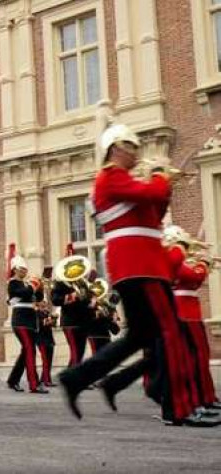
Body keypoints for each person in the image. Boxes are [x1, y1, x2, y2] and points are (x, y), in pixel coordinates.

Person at [58, 117, 214, 427]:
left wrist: (164, 185)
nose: (136, 154)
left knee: (140, 337)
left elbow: (154, 214)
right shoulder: (111, 176)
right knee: (170, 337)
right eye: (132, 148)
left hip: (141, 266)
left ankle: (79, 378)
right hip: (141, 267)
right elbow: (152, 195)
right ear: (116, 149)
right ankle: (182, 407)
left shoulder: (125, 183)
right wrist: (159, 176)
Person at [163, 227, 219, 411]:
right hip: (184, 313)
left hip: (191, 312)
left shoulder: (180, 259)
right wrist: (204, 262)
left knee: (201, 357)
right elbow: (194, 276)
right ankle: (197, 400)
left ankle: (207, 397)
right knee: (194, 359)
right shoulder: (174, 260)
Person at [6, 257, 45, 394]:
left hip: (31, 321)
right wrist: (33, 285)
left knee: (26, 352)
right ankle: (34, 384)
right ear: (15, 269)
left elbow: (37, 299)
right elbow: (26, 293)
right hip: (20, 321)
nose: (25, 271)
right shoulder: (13, 283)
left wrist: (41, 287)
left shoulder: (26, 283)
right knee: (30, 351)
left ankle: (13, 380)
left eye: (25, 269)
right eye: (22, 269)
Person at [51, 248, 92, 368]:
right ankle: (75, 380)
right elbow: (55, 300)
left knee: (80, 353)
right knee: (75, 353)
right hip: (70, 322)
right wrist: (72, 296)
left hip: (83, 321)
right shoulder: (60, 283)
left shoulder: (82, 283)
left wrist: (90, 300)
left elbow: (87, 299)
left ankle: (71, 377)